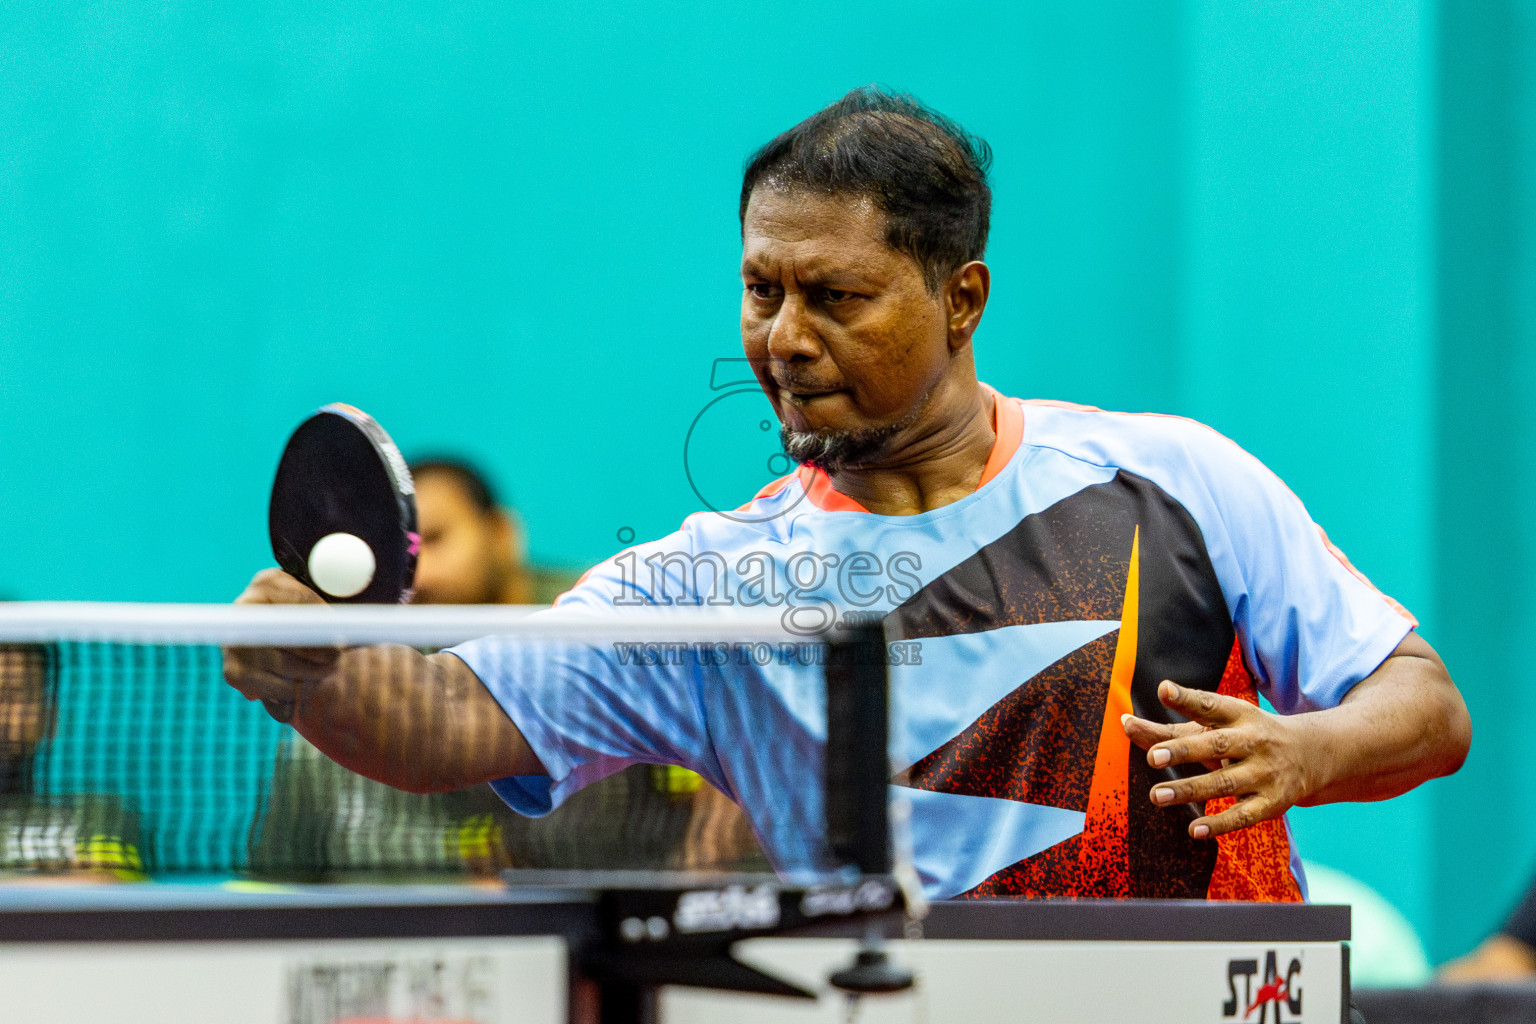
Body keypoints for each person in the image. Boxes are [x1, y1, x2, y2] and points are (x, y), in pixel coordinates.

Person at [225, 87, 1471, 901]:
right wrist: (320, 674)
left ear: (961, 299)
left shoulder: (1176, 477)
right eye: (763, 290)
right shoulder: (708, 585)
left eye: (836, 296)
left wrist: (1304, 750)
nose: (785, 336)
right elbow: (445, 720)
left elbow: (1425, 705)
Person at [249, 459, 763, 878]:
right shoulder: (364, 679)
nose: (417, 575)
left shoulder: (602, 629)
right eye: (396, 552)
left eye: (435, 540)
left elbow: (739, 717)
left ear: (501, 535)